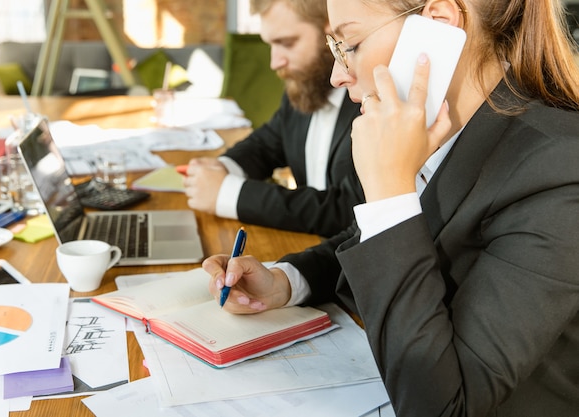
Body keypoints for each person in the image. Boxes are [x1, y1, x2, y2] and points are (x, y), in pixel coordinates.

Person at [202, 0, 579, 415]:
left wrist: (390, 190)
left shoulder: (558, 169)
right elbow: (383, 236)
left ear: (436, 24)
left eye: (351, 43)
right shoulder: (455, 129)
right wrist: (288, 281)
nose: (337, 74)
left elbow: (439, 407)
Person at [182, 0, 364, 237]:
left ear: (331, 30)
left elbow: (351, 211)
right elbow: (267, 142)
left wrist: (229, 194)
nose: (274, 62)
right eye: (270, 45)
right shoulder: (306, 86)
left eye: (286, 43)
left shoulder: (369, 100)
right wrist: (222, 168)